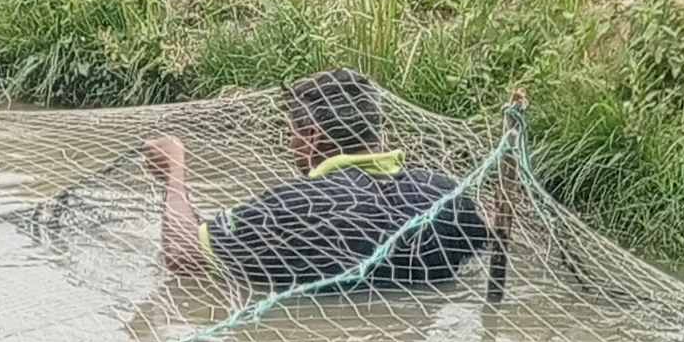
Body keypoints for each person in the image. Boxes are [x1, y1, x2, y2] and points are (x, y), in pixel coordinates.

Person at [143, 71, 486, 297]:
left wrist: (174, 168)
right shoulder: (446, 195)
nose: (290, 144)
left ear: (311, 137)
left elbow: (182, 256)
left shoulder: (294, 205)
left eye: (292, 133)